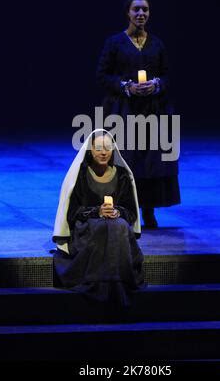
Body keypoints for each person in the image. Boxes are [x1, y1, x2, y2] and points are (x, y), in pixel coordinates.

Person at [96, 0, 180, 227]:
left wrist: (156, 84)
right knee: (126, 160)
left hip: (153, 109)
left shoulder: (157, 43)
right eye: (136, 10)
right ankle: (124, 209)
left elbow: (167, 75)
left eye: (145, 10)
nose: (141, 13)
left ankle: (149, 211)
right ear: (128, 13)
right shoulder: (115, 43)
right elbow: (102, 75)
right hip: (124, 111)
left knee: (151, 161)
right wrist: (126, 87)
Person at [52, 129, 145, 307]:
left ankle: (119, 284)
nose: (103, 152)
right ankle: (99, 286)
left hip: (117, 228)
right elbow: (72, 213)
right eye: (99, 148)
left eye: (108, 148)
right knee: (104, 227)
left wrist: (117, 212)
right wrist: (97, 212)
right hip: (87, 229)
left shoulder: (123, 176)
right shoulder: (80, 176)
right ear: (90, 150)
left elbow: (131, 213)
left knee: (117, 225)